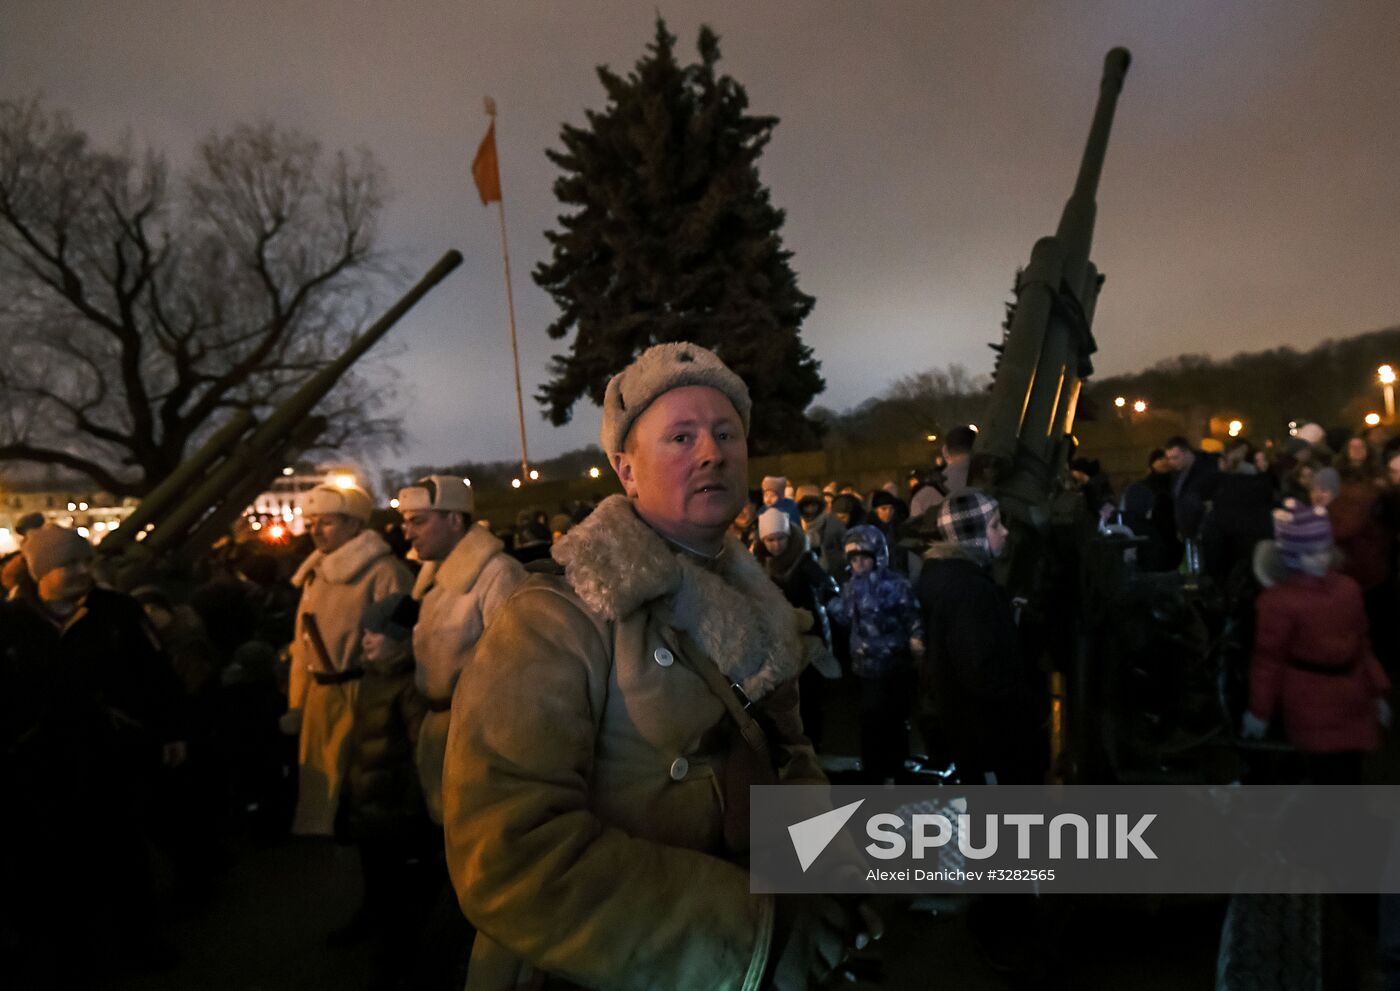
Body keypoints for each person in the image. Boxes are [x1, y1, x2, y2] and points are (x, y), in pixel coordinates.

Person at [443, 343, 870, 990]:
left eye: (726, 433)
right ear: (626, 470)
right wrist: (758, 934)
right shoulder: (554, 616)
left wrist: (824, 883)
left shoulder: (762, 608)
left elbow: (789, 756)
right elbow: (510, 856)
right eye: (681, 436)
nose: (712, 451)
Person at [5, 525, 187, 977]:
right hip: (42, 765)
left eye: (87, 562)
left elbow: (156, 675)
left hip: (113, 755)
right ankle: (73, 951)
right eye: (69, 564)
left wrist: (171, 731)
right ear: (41, 571)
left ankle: (139, 942)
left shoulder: (118, 613)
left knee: (124, 853)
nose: (83, 572)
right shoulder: (10, 625)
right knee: (56, 864)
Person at [395, 474, 525, 824]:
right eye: (406, 522)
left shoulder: (498, 575)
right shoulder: (432, 580)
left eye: (418, 521)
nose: (407, 533)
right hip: (442, 732)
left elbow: (518, 673)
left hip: (480, 741)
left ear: (455, 519)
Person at [284, 483, 411, 837]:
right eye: (311, 522)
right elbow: (301, 644)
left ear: (354, 524)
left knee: (364, 792)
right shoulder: (315, 573)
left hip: (363, 696)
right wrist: (297, 703)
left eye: (326, 522)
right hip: (320, 698)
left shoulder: (384, 571)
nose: (315, 531)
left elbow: (404, 639)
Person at [1242, 505, 1391, 783]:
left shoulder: (1347, 589)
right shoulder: (1279, 602)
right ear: (1292, 556)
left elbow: (1361, 642)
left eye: (1324, 549)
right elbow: (1268, 660)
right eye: (1311, 553)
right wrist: (1259, 711)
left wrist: (1377, 690)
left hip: (1351, 695)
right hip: (1311, 699)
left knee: (1349, 772)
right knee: (1327, 774)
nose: (1321, 558)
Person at [916, 491, 1048, 785]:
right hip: (992, 734)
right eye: (995, 525)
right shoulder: (970, 589)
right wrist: (1027, 702)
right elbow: (982, 669)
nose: (1005, 531)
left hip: (968, 730)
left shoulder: (943, 575)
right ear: (973, 535)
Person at [339, 592, 437, 985]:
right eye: (365, 631)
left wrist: (413, 807)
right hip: (370, 800)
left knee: (396, 895)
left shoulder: (408, 686)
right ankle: (375, 931)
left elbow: (419, 750)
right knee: (376, 879)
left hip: (394, 808)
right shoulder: (373, 676)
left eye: (375, 633)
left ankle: (395, 964)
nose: (366, 639)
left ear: (399, 638)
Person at [830, 524, 925, 783]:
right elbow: (847, 618)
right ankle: (874, 768)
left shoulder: (896, 585)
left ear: (877, 556)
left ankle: (896, 765)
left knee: (894, 717)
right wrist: (833, 603)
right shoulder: (851, 587)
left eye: (865, 557)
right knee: (870, 719)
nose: (859, 563)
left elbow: (912, 616)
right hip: (865, 667)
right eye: (854, 558)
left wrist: (916, 643)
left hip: (894, 664)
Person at [757, 506, 841, 747]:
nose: (776, 545)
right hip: (781, 639)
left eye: (780, 538)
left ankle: (813, 747)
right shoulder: (763, 564)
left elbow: (827, 588)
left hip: (809, 637)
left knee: (810, 696)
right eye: (770, 540)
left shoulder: (804, 561)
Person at [1164, 435, 1220, 544]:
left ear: (1187, 453)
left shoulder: (1206, 471)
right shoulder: (1177, 474)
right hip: (1190, 532)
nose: (1171, 462)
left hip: (1206, 533)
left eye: (1175, 458)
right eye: (1169, 458)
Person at [794, 483, 845, 575]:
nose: (810, 509)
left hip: (833, 573)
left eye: (814, 505)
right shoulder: (795, 524)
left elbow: (844, 547)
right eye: (806, 505)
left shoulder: (832, 522)